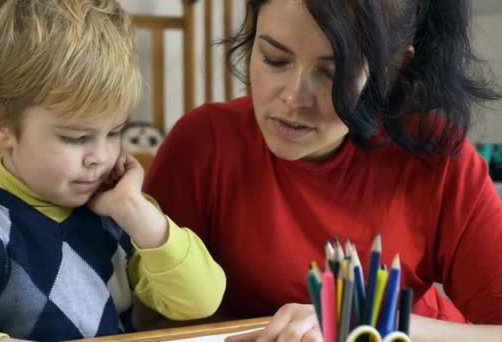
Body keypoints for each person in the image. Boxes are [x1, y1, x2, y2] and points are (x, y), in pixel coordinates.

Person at [144, 0, 502, 340]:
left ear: (393, 70)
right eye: (274, 59)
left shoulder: (436, 159)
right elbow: (144, 323)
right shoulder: (203, 145)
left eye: (333, 73)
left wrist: (373, 324)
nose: (294, 97)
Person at [0, 1, 226, 341]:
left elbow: (201, 301)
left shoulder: (120, 216)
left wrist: (135, 209)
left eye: (114, 133)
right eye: (76, 138)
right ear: (0, 123)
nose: (101, 156)